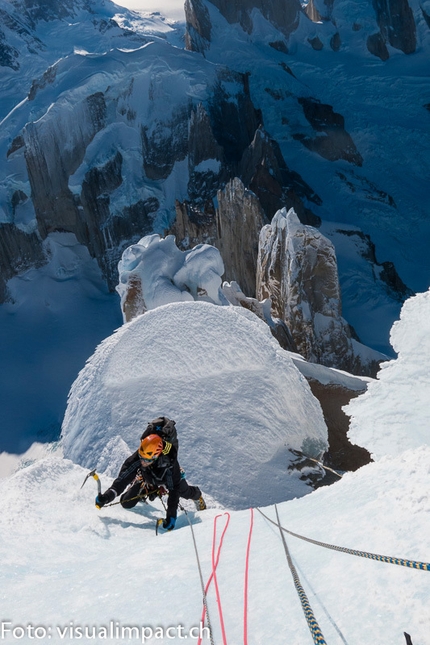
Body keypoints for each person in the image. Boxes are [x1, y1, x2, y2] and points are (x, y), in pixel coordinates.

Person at [95, 417, 206, 531]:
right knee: (126, 502)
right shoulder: (141, 456)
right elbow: (123, 479)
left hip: (166, 478)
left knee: (185, 491)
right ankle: (144, 487)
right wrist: (107, 496)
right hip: (147, 478)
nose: (142, 462)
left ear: (156, 456)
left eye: (146, 460)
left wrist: (171, 516)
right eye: (141, 458)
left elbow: (174, 491)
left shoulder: (169, 463)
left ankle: (197, 496)